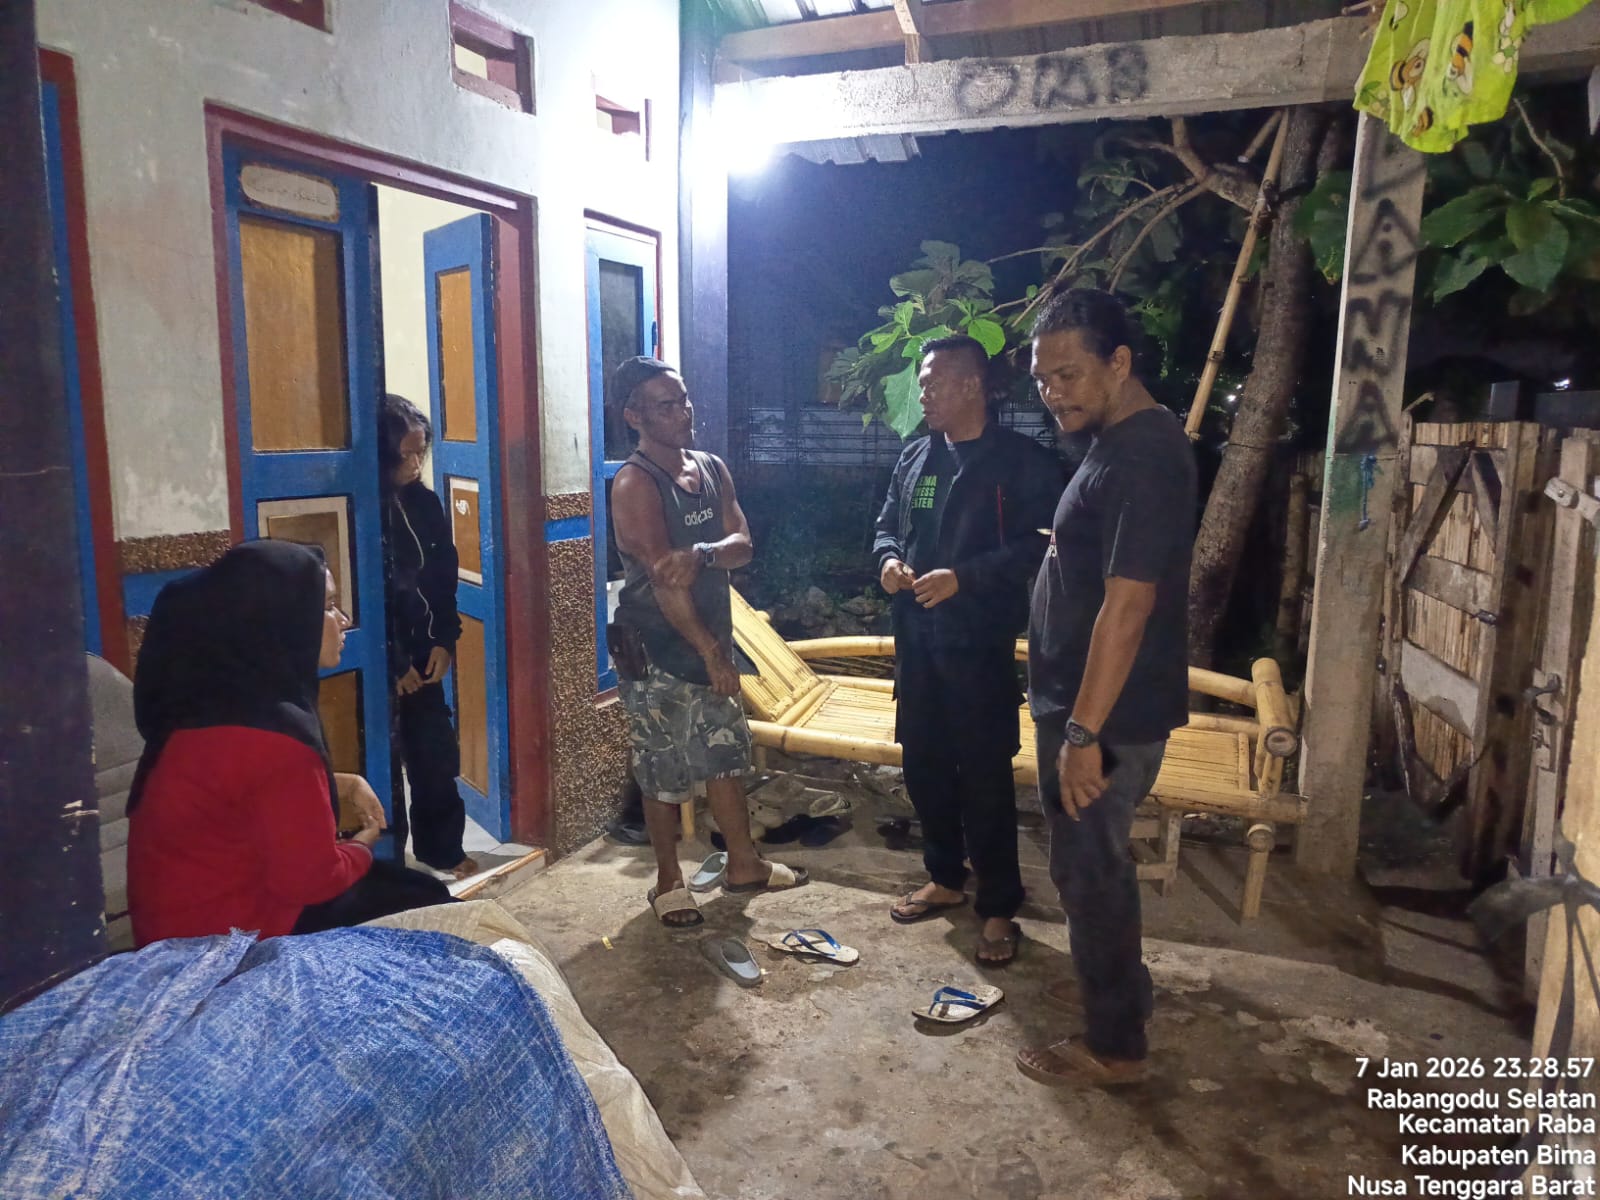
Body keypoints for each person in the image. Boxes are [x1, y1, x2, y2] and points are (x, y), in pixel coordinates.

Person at [1015, 289, 1197, 1087]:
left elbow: (1129, 606)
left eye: (1069, 375)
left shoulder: (1141, 456)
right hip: (1089, 707)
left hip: (1106, 718)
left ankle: (1116, 1046)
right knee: (1092, 866)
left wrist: (1084, 735)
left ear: (1119, 363)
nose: (1054, 393)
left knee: (1089, 873)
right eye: (1042, 380)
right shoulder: (1116, 442)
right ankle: (1121, 988)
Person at [127, 539, 452, 947]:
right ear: (281, 620)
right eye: (328, 606)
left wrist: (344, 784)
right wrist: (363, 844)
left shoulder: (208, 705)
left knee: (412, 888)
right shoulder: (277, 739)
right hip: (229, 942)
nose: (345, 620)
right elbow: (314, 881)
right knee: (431, 906)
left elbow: (240, 791)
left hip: (176, 926)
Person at [873, 335, 1064, 966]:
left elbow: (1042, 544)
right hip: (917, 643)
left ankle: (1000, 905)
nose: (923, 395)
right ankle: (945, 877)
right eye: (923, 385)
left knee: (984, 775)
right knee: (924, 764)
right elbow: (886, 526)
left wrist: (966, 578)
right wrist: (889, 561)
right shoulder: (916, 458)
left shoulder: (1023, 463)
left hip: (979, 645)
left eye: (933, 384)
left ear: (972, 386)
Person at [607, 356, 808, 927]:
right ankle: (669, 881)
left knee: (725, 756)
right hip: (657, 649)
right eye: (666, 406)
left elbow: (743, 543)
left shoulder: (712, 468)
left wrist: (702, 553)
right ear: (634, 416)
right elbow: (666, 585)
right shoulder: (635, 483)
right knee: (662, 768)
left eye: (684, 400)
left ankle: (744, 864)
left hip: (710, 637)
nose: (683, 413)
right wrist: (712, 654)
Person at [380, 393, 476, 880]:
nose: (416, 464)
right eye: (406, 454)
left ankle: (442, 850)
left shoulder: (425, 502)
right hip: (381, 659)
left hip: (426, 652)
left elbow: (442, 576)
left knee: (435, 758)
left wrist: (445, 641)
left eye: (421, 452)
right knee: (381, 765)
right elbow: (369, 594)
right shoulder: (366, 508)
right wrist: (394, 663)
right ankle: (387, 864)